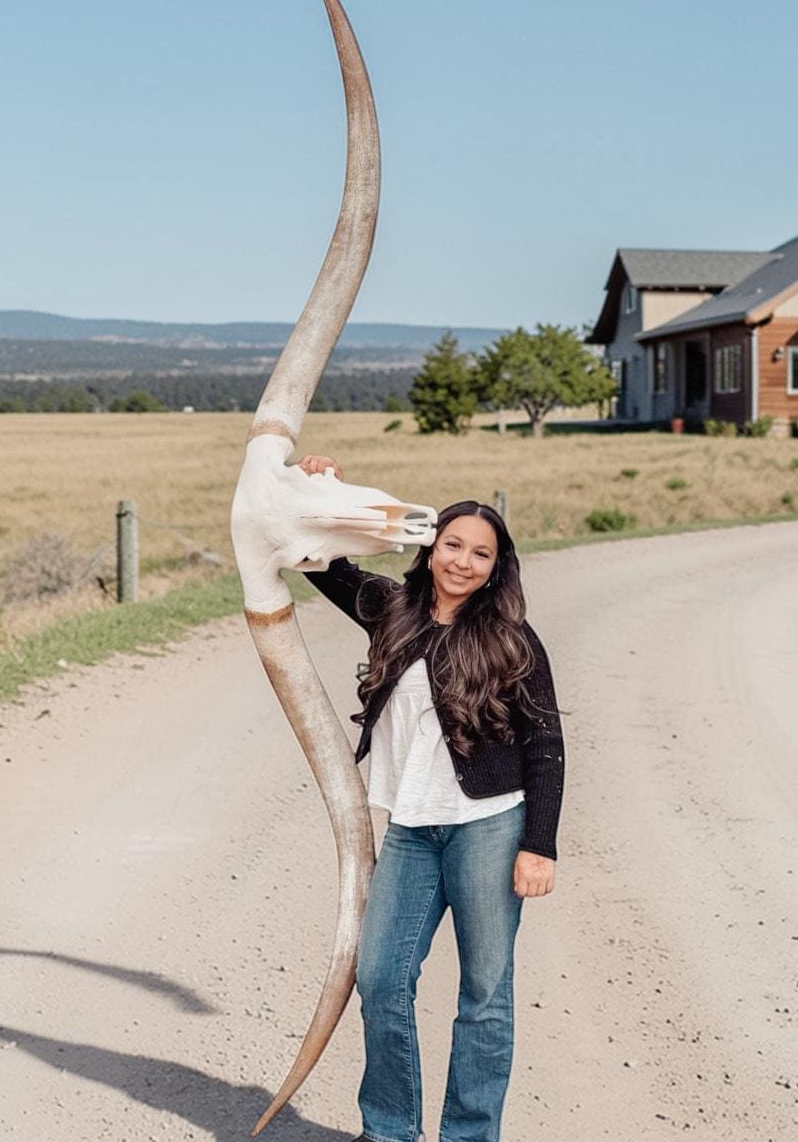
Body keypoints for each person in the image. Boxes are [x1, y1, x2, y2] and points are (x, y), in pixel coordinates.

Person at [295, 453, 564, 1142]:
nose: (463, 562)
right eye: (453, 545)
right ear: (430, 546)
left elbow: (545, 744)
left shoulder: (510, 638)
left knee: (485, 995)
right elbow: (317, 560)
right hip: (410, 831)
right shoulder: (392, 610)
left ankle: (469, 1135)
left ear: (496, 567)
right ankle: (390, 1129)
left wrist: (539, 845)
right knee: (380, 979)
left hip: (488, 829)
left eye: (480, 554)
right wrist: (317, 483)